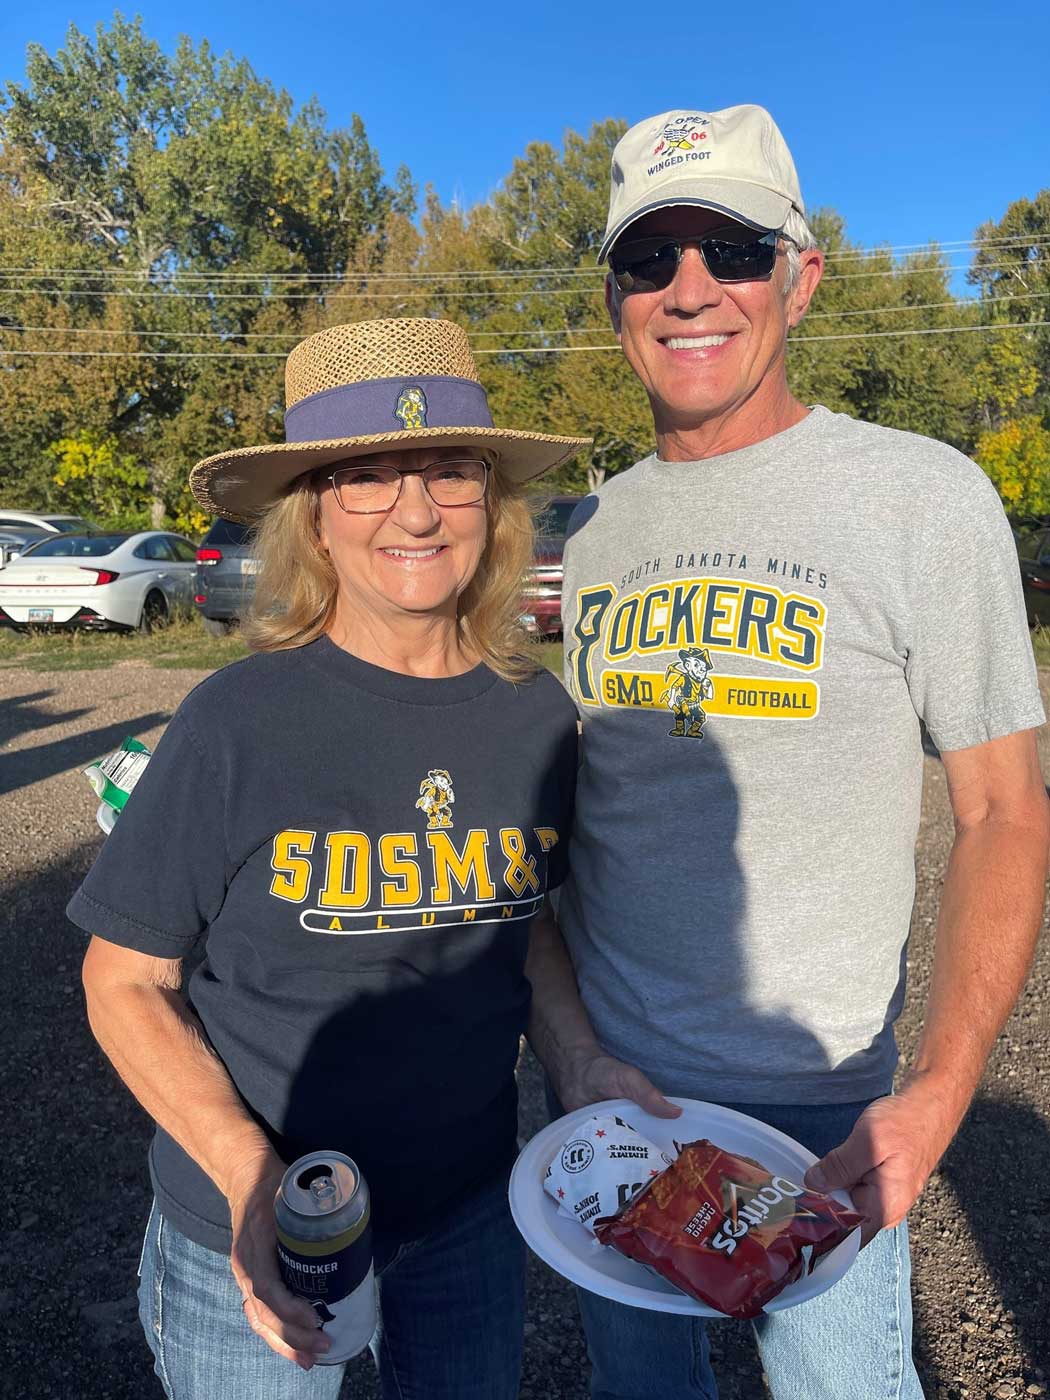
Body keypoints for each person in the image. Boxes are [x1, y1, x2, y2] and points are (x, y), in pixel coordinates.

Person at [549, 105, 1049, 1398]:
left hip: (823, 1107)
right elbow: (555, 820)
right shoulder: (590, 527)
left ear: (800, 274)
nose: (689, 289)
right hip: (614, 1094)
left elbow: (1001, 810)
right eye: (648, 259)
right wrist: (565, 1055)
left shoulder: (918, 494)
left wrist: (937, 1092)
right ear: (613, 295)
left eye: (731, 247)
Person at [69, 316, 666, 1400]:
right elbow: (123, 979)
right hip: (256, 1226)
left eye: (448, 469)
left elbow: (522, 924)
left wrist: (582, 1066)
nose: (416, 508)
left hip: (469, 1213)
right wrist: (251, 1181)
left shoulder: (536, 716)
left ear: (492, 500)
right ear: (315, 520)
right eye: (367, 476)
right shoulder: (238, 719)